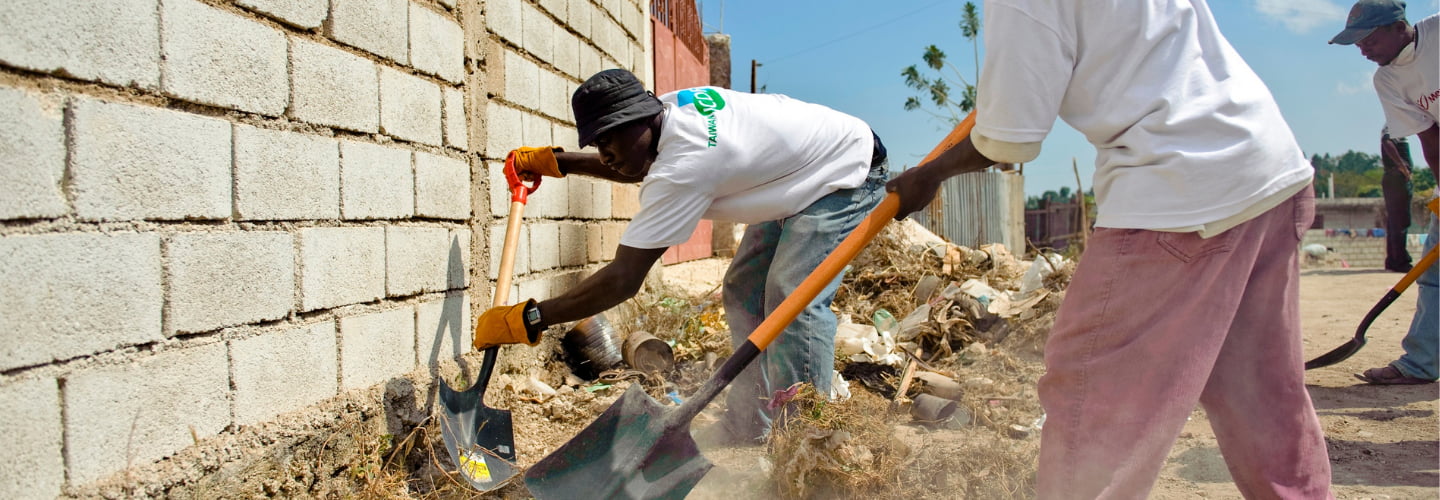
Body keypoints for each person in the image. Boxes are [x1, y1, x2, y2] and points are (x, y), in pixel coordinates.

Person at [886, 0, 1333, 497]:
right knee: (1258, 387)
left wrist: (927, 176)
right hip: (1269, 169)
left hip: (1180, 194)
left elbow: (1009, 140)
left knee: (1095, 392)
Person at [471, 68, 890, 445]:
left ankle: (811, 436)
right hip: (798, 174)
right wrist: (558, 162)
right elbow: (633, 161)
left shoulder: (686, 165)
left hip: (845, 171)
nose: (604, 156)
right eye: (597, 144)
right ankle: (750, 423)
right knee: (743, 288)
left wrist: (528, 318)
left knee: (791, 294)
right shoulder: (669, 109)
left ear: (640, 117)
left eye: (608, 139)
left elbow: (623, 279)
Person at [1330, 0, 1439, 385]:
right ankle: (1420, 364)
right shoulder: (1388, 80)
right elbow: (1431, 138)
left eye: (1367, 38)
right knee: (1435, 275)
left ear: (1397, 26)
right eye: (1356, 43)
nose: (1362, 48)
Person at [1379, 126, 1413, 273]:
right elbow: (1387, 142)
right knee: (1400, 220)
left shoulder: (1394, 127)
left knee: (1394, 222)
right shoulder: (1394, 125)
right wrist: (1402, 167)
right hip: (1397, 179)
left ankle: (1393, 260)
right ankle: (1400, 261)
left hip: (1393, 178)